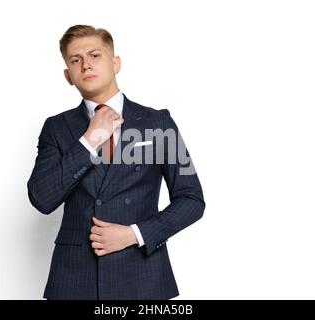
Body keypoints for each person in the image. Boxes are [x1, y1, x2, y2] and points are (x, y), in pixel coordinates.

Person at [27, 24, 205, 300]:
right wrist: (89, 140)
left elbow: (191, 199)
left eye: (95, 55)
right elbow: (42, 198)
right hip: (74, 280)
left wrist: (135, 234)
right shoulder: (56, 128)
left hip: (142, 277)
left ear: (115, 63)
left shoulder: (158, 122)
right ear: (68, 76)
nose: (86, 64)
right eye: (75, 60)